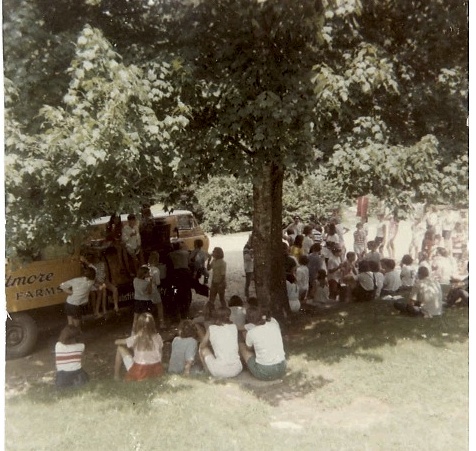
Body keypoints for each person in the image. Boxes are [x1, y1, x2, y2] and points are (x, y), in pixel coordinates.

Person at [239, 306, 286, 381]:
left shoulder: (251, 332)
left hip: (265, 372)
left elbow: (249, 349)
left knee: (242, 346)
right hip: (282, 367)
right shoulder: (273, 325)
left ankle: (244, 366)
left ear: (248, 319)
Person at [114, 312, 164, 381]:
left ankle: (116, 376)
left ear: (139, 325)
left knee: (120, 348)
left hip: (140, 371)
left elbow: (116, 342)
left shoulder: (136, 338)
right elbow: (160, 355)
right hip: (156, 369)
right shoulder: (158, 337)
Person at [197, 307, 242, 378]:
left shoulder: (211, 328)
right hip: (237, 368)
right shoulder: (234, 326)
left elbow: (202, 345)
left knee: (202, 349)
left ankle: (206, 371)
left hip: (220, 371)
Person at [55, 325, 89, 389]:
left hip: (62, 379)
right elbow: (82, 359)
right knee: (84, 375)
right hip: (77, 377)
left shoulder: (57, 345)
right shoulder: (81, 346)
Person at [132, 266, 156, 333]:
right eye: (148, 273)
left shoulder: (135, 280)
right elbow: (149, 292)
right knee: (148, 317)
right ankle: (149, 331)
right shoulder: (146, 283)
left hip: (137, 300)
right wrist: (150, 282)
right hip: (146, 301)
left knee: (136, 318)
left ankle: (133, 332)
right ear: (144, 274)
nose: (149, 274)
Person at [148, 251, 165, 328]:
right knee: (159, 306)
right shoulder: (156, 270)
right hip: (153, 289)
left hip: (144, 289)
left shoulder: (144, 267)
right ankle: (161, 323)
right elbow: (158, 283)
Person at [243, 234, 254, 301]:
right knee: (248, 282)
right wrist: (251, 253)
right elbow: (247, 257)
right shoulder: (246, 247)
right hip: (249, 267)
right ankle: (247, 296)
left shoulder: (252, 246)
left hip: (253, 266)